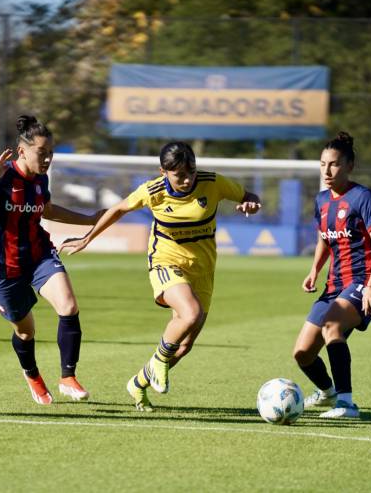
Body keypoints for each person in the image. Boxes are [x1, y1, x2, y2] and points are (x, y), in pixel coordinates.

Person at [60, 142, 261, 412]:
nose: (188, 179)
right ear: (163, 172)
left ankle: (139, 382)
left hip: (203, 269)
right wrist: (87, 238)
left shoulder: (213, 183)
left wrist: (251, 203)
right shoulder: (152, 191)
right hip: (165, 261)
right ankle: (158, 361)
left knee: (185, 344)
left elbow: (250, 196)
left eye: (191, 171)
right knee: (190, 313)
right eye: (179, 175)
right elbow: (119, 209)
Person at [0, 115, 103, 405]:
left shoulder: (40, 179)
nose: (48, 159)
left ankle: (68, 377)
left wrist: (88, 220)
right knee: (25, 332)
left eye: (51, 153)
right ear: (23, 151)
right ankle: (32, 375)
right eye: (42, 153)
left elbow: (48, 210)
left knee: (68, 306)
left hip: (39, 255)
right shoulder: (1, 174)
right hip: (5, 268)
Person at [292, 132, 371, 419]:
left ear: (349, 165)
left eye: (334, 164)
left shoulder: (362, 197)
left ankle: (346, 404)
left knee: (331, 327)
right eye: (322, 164)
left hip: (364, 281)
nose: (327, 170)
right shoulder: (321, 200)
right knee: (302, 354)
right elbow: (324, 237)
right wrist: (314, 271)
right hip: (334, 285)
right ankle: (327, 392)